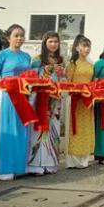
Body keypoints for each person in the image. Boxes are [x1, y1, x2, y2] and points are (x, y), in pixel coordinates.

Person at [0, 24, 32, 180]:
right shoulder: (1, 55)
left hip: (23, 97)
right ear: (8, 38)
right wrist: (2, 83)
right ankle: (2, 169)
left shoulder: (26, 56)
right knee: (6, 131)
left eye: (22, 35)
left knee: (20, 132)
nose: (19, 38)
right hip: (6, 98)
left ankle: (18, 167)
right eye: (16, 35)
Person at [27, 31, 65, 174]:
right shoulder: (37, 59)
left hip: (56, 100)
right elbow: (31, 78)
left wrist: (61, 74)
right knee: (38, 129)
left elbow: (64, 79)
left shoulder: (61, 60)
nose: (54, 44)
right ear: (45, 43)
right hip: (41, 99)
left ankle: (50, 164)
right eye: (50, 41)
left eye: (56, 41)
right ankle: (35, 165)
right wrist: (45, 71)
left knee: (53, 129)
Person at [65, 35, 95, 169]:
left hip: (87, 101)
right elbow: (67, 83)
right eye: (84, 46)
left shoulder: (90, 64)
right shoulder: (72, 64)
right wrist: (77, 91)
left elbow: (92, 82)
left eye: (88, 46)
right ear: (77, 47)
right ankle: (72, 160)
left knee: (86, 128)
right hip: (75, 100)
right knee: (74, 128)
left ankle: (84, 159)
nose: (87, 49)